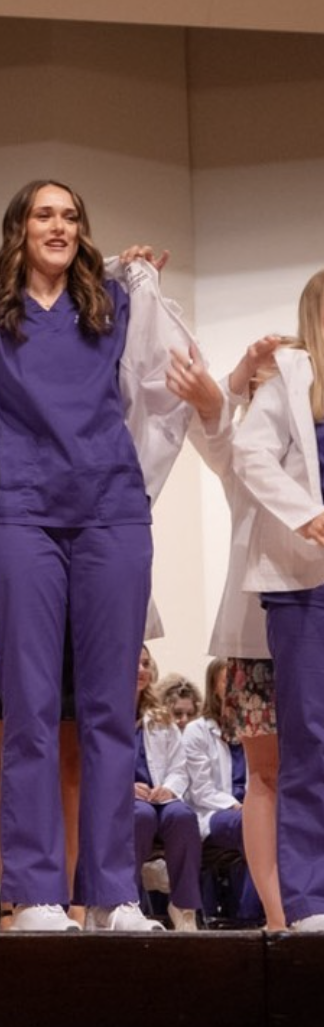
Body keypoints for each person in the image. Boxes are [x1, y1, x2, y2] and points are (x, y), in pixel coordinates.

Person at [0, 178, 197, 933]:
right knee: (30, 713)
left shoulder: (113, 300)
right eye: (45, 214)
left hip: (111, 515)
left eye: (72, 216)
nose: (60, 226)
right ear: (18, 229)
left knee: (108, 713)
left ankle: (113, 895)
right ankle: (35, 893)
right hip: (20, 519)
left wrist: (151, 284)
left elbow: (166, 385)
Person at [166, 334, 287, 929]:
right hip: (256, 634)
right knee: (264, 775)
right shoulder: (243, 449)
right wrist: (240, 372)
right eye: (266, 383)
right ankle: (275, 914)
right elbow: (207, 420)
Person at [232, 268, 324, 933]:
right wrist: (306, 515)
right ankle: (312, 898)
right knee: (311, 739)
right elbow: (248, 451)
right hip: (304, 580)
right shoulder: (292, 375)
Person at [183, 658, 262, 925]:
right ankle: (250, 915)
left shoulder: (254, 726)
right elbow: (202, 790)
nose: (234, 683)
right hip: (215, 813)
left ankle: (261, 911)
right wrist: (238, 805)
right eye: (226, 677)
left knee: (272, 826)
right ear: (213, 685)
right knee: (253, 826)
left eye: (237, 677)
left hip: (250, 809)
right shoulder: (197, 731)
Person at [133, 644, 203, 931]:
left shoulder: (160, 716)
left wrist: (170, 788)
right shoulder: (104, 712)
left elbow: (179, 766)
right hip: (124, 800)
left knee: (183, 816)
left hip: (161, 796)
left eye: (146, 664)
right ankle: (129, 902)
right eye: (135, 663)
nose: (142, 670)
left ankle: (184, 906)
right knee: (141, 817)